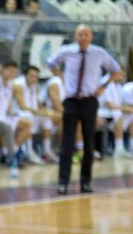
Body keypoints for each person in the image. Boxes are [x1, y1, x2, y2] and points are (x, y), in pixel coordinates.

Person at [49, 24, 122, 194]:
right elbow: (51, 62)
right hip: (71, 100)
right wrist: (60, 75)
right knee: (67, 142)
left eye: (86, 34)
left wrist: (103, 86)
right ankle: (63, 183)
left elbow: (116, 70)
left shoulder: (99, 53)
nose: (83, 37)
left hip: (89, 100)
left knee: (89, 142)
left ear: (91, 37)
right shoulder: (67, 51)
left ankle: (85, 182)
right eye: (80, 34)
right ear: (75, 36)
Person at [14, 65, 57, 163]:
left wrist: (46, 111)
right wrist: (38, 112)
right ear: (25, 75)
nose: (34, 78)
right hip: (18, 113)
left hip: (31, 113)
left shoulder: (35, 86)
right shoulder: (19, 85)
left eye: (35, 76)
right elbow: (22, 106)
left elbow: (37, 104)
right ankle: (29, 152)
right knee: (28, 118)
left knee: (47, 119)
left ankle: (47, 151)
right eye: (31, 76)